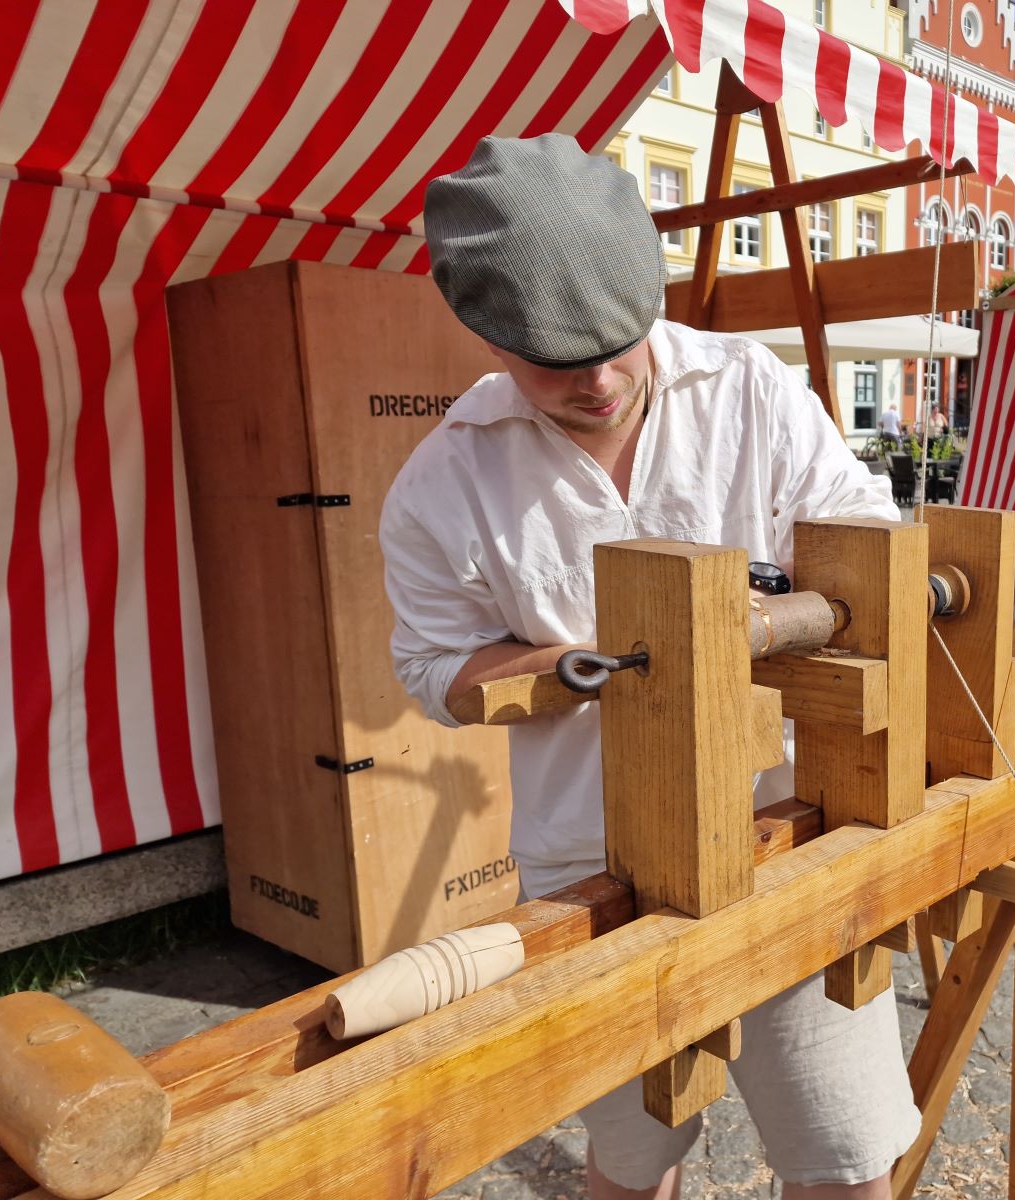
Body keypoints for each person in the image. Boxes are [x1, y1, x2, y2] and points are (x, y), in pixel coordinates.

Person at [379, 135, 918, 1200]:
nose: (603, 381)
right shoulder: (444, 482)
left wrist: (767, 615)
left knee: (847, 1159)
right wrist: (564, 664)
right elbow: (430, 669)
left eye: (620, 342)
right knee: (630, 1162)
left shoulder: (748, 389)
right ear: (485, 336)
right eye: (556, 364)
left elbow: (867, 537)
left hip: (787, 830)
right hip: (593, 864)